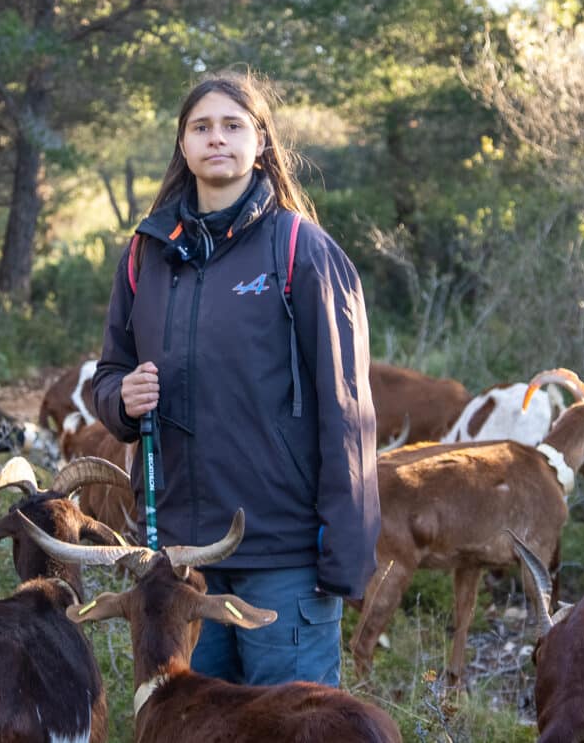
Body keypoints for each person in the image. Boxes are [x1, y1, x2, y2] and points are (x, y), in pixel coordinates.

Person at [92, 69, 380, 687]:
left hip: (283, 558)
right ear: (183, 145)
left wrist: (346, 559)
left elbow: (348, 412)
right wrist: (123, 398)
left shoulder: (301, 249)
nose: (215, 138)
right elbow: (108, 374)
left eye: (232, 125)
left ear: (261, 143)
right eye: (201, 127)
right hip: (181, 563)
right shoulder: (146, 253)